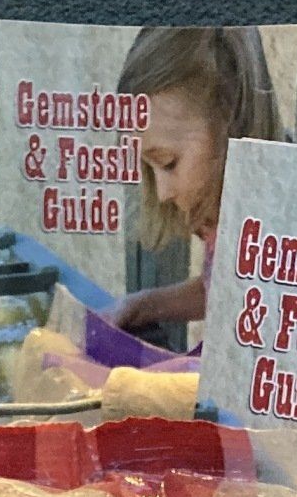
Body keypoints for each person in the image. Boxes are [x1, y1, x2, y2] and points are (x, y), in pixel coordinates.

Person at [112, 27, 286, 340]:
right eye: (149, 169)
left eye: (168, 163)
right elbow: (219, 289)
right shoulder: (216, 220)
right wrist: (143, 306)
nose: (162, 192)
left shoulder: (284, 229)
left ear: (230, 122)